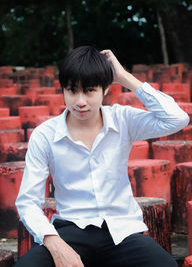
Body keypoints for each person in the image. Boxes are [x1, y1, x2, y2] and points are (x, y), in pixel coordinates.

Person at [14, 46, 189, 267]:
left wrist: (124, 76)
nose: (80, 101)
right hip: (70, 230)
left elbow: (177, 119)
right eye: (72, 90)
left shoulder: (122, 119)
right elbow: (27, 202)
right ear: (63, 90)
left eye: (89, 90)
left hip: (122, 232)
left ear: (105, 89)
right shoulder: (45, 135)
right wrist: (55, 244)